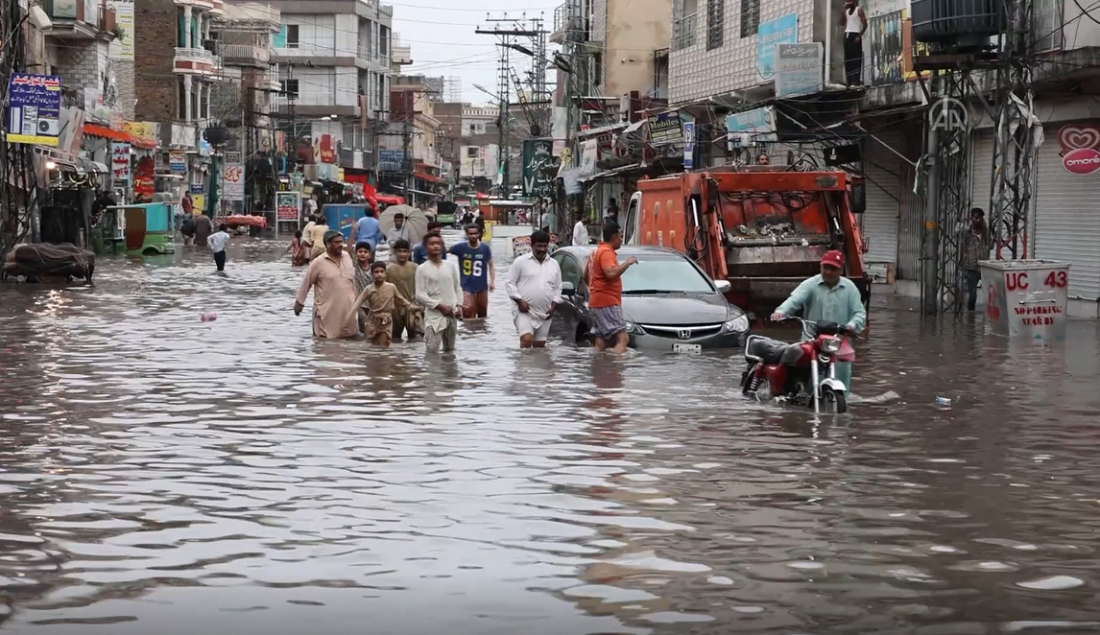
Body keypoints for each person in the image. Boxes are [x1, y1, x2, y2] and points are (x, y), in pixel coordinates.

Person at [771, 250, 867, 390]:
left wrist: (851, 325)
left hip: (838, 342)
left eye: (833, 269)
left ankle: (841, 404)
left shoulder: (850, 288)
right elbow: (794, 300)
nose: (828, 272)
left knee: (842, 378)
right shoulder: (810, 284)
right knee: (807, 377)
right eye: (825, 267)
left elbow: (859, 313)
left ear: (841, 270)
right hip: (812, 341)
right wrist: (780, 312)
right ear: (820, 266)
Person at [294, 230, 360, 339]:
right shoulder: (318, 262)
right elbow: (306, 283)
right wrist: (299, 302)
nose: (340, 245)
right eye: (336, 242)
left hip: (348, 310)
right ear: (328, 244)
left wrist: (358, 302)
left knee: (349, 347)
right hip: (326, 313)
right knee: (325, 346)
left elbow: (352, 281)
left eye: (341, 242)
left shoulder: (347, 257)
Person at [506, 230, 563, 349]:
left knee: (539, 348)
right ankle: (523, 368)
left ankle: (536, 368)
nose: (542, 249)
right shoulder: (520, 262)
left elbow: (558, 287)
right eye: (539, 246)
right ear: (532, 245)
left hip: (544, 312)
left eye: (544, 246)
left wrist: (553, 307)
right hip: (524, 311)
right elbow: (509, 282)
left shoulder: (554, 264)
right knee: (526, 341)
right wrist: (519, 301)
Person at [587, 222, 638, 355]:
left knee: (602, 340)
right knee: (623, 338)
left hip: (596, 301)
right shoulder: (606, 252)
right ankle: (615, 370)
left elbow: (585, 274)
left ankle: (599, 369)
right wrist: (627, 263)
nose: (621, 239)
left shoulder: (595, 252)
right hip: (607, 301)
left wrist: (593, 290)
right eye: (620, 236)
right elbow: (610, 273)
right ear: (614, 237)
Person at [415, 233, 462, 354]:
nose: (435, 246)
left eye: (438, 243)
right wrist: (440, 306)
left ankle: (449, 372)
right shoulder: (422, 268)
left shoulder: (450, 266)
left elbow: (457, 287)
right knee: (431, 351)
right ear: (426, 247)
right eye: (432, 244)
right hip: (434, 315)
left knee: (450, 350)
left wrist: (459, 306)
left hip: (451, 313)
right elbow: (420, 294)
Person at [350, 261, 411, 347]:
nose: (379, 274)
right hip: (372, 320)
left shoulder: (391, 287)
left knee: (384, 345)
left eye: (382, 272)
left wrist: (412, 307)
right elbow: (358, 302)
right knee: (369, 346)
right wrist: (349, 315)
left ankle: (383, 360)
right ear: (372, 274)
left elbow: (401, 300)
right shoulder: (369, 289)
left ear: (385, 274)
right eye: (376, 272)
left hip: (386, 321)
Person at [449, 223, 495, 319]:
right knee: (468, 312)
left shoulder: (485, 248)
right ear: (466, 234)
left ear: (479, 234)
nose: (473, 236)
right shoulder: (460, 247)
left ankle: (480, 333)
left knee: (482, 314)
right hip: (466, 286)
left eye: (475, 233)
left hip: (482, 286)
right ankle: (468, 333)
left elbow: (491, 265)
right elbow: (443, 251)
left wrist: (492, 282)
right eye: (470, 234)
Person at [387, 239, 422, 342]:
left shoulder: (415, 268)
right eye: (399, 251)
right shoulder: (389, 269)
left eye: (405, 251)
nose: (402, 254)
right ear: (395, 252)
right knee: (395, 338)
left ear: (409, 252)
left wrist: (423, 305)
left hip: (412, 306)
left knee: (417, 338)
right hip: (395, 308)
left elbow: (423, 286)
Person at [961, 208, 991, 312]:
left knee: (989, 293)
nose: (978, 220)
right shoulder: (966, 232)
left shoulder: (985, 231)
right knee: (972, 295)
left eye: (980, 218)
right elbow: (962, 246)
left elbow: (990, 245)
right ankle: (970, 315)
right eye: (976, 217)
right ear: (972, 218)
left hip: (984, 266)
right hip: (971, 267)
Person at [842, 0, 867, 87]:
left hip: (855, 34)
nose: (848, 3)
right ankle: (849, 81)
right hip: (847, 35)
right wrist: (843, 10)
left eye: (849, 1)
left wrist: (859, 36)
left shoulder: (858, 10)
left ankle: (856, 81)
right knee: (848, 59)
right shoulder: (846, 11)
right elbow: (842, 23)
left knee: (856, 58)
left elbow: (865, 24)